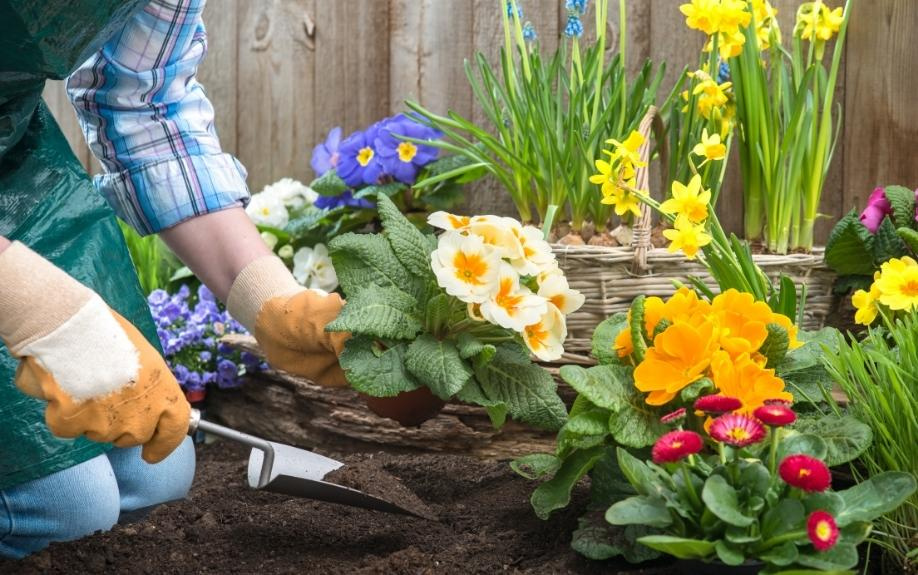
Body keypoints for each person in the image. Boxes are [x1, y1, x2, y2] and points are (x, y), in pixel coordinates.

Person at [0, 0, 347, 558]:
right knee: (64, 509)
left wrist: (268, 299)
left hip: (14, 164)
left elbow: (144, 102)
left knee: (155, 474)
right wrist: (35, 308)